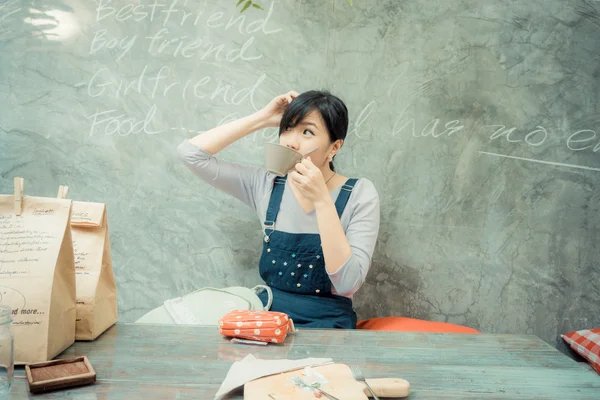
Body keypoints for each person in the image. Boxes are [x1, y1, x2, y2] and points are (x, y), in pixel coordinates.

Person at [177, 90, 380, 329]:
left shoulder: (360, 194)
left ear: (334, 147)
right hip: (268, 321)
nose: (291, 141)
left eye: (307, 131)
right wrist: (263, 119)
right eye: (287, 128)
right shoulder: (265, 185)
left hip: (328, 326)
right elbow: (190, 154)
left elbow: (348, 283)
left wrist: (322, 201)